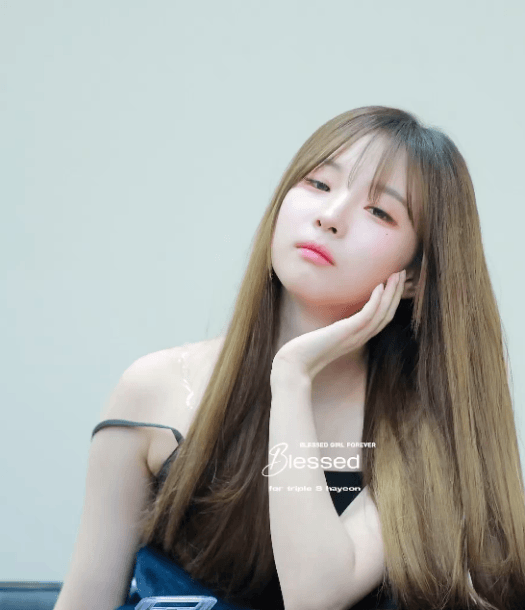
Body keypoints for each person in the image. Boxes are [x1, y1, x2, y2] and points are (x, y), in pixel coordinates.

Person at [53, 106, 525, 610]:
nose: (330, 216)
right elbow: (85, 599)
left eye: (379, 212)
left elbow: (314, 595)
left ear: (414, 275)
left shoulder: (425, 423)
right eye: (319, 184)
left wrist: (293, 376)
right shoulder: (156, 388)